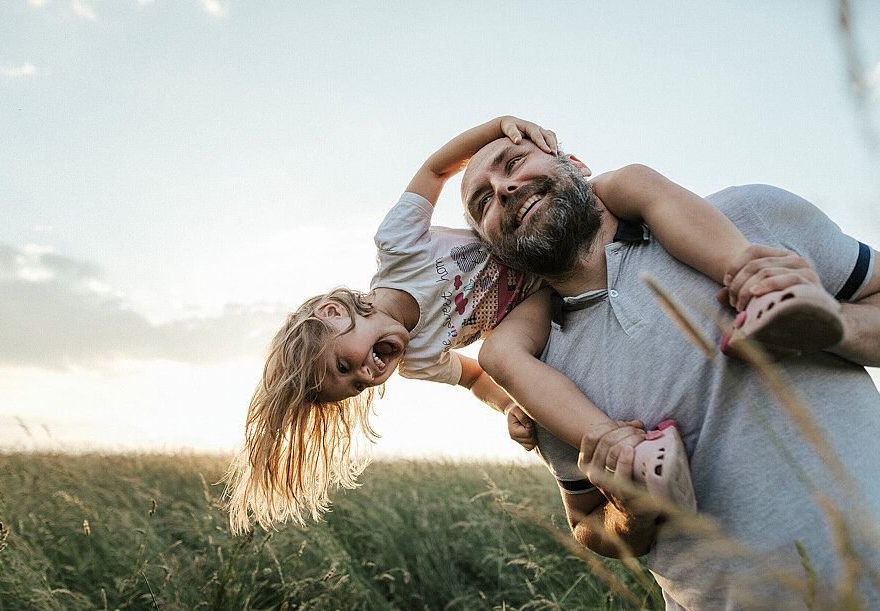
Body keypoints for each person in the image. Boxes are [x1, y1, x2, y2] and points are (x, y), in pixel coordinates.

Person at [222, 116, 841, 535]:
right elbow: (475, 377)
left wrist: (499, 127)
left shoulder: (398, 247)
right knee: (500, 357)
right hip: (537, 290)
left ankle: (760, 283)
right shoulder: (418, 360)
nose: (368, 373)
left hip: (546, 247)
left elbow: (435, 169)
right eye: (357, 385)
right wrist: (514, 409)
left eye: (346, 364)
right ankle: (628, 457)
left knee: (630, 180)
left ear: (335, 314)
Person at [461, 134, 880, 608]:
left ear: (574, 163)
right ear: (493, 248)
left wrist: (833, 323)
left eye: (514, 162)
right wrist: (631, 512)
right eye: (483, 202)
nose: (504, 189)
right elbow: (586, 522)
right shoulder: (537, 376)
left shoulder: (747, 215)